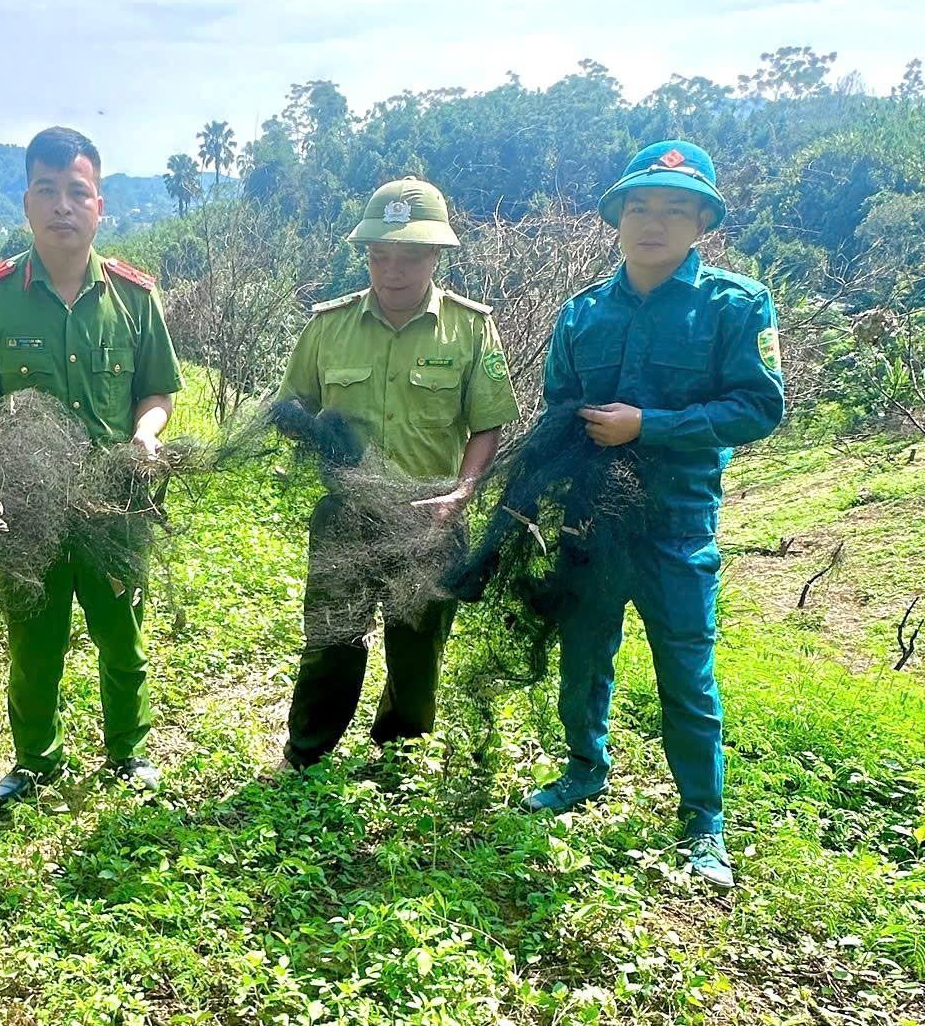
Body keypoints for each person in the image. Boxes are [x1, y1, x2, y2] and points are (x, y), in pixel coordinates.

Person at [528, 139, 786, 891]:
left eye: (674, 208)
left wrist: (652, 425)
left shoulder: (735, 306)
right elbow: (556, 408)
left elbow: (760, 406)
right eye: (639, 205)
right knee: (583, 660)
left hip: (676, 525)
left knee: (687, 674)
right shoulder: (581, 314)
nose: (653, 221)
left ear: (702, 219)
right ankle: (584, 769)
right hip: (591, 526)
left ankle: (705, 822)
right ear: (616, 217)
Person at [0, 126, 184, 803]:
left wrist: (146, 433)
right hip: (29, 508)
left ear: (99, 204)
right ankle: (35, 763)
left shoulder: (135, 298)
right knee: (33, 642)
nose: (62, 206)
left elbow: (158, 392)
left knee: (123, 638)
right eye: (47, 191)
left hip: (117, 505)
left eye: (77, 191)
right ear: (27, 202)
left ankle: (129, 754)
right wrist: (22, 457)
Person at [277, 176, 521, 771]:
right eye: (379, 256)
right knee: (332, 638)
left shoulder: (469, 328)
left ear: (436, 255)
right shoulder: (326, 327)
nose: (392, 272)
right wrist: (319, 436)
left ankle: (398, 753)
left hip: (432, 517)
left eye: (409, 257)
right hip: (346, 516)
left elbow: (488, 423)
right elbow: (290, 408)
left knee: (417, 651)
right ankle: (307, 751)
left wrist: (462, 493)